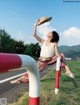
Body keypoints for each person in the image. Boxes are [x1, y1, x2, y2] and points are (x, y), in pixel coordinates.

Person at [10, 19, 74, 84]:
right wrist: (36, 25)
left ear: (52, 36)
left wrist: (60, 59)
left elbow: (57, 53)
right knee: (31, 72)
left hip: (50, 60)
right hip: (41, 61)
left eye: (51, 32)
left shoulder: (54, 43)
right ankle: (19, 80)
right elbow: (34, 34)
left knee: (62, 55)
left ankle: (68, 71)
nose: (49, 32)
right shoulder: (43, 41)